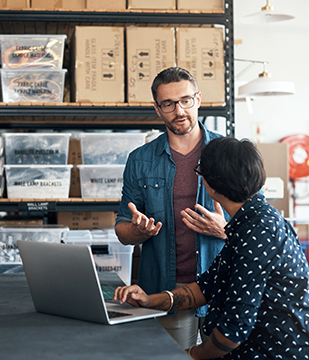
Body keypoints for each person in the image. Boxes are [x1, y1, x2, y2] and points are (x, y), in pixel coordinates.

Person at [113, 137, 309, 359]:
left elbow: (233, 330)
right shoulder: (247, 223)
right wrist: (150, 300)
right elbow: (207, 286)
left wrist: (190, 354)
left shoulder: (258, 232)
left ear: (212, 184)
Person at [115, 67, 229, 349]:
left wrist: (225, 230)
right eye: (168, 104)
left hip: (224, 289)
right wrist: (138, 231)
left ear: (198, 99)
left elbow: (262, 226)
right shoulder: (140, 160)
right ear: (157, 109)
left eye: (186, 100)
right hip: (166, 290)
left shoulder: (229, 153)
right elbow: (122, 230)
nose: (179, 111)